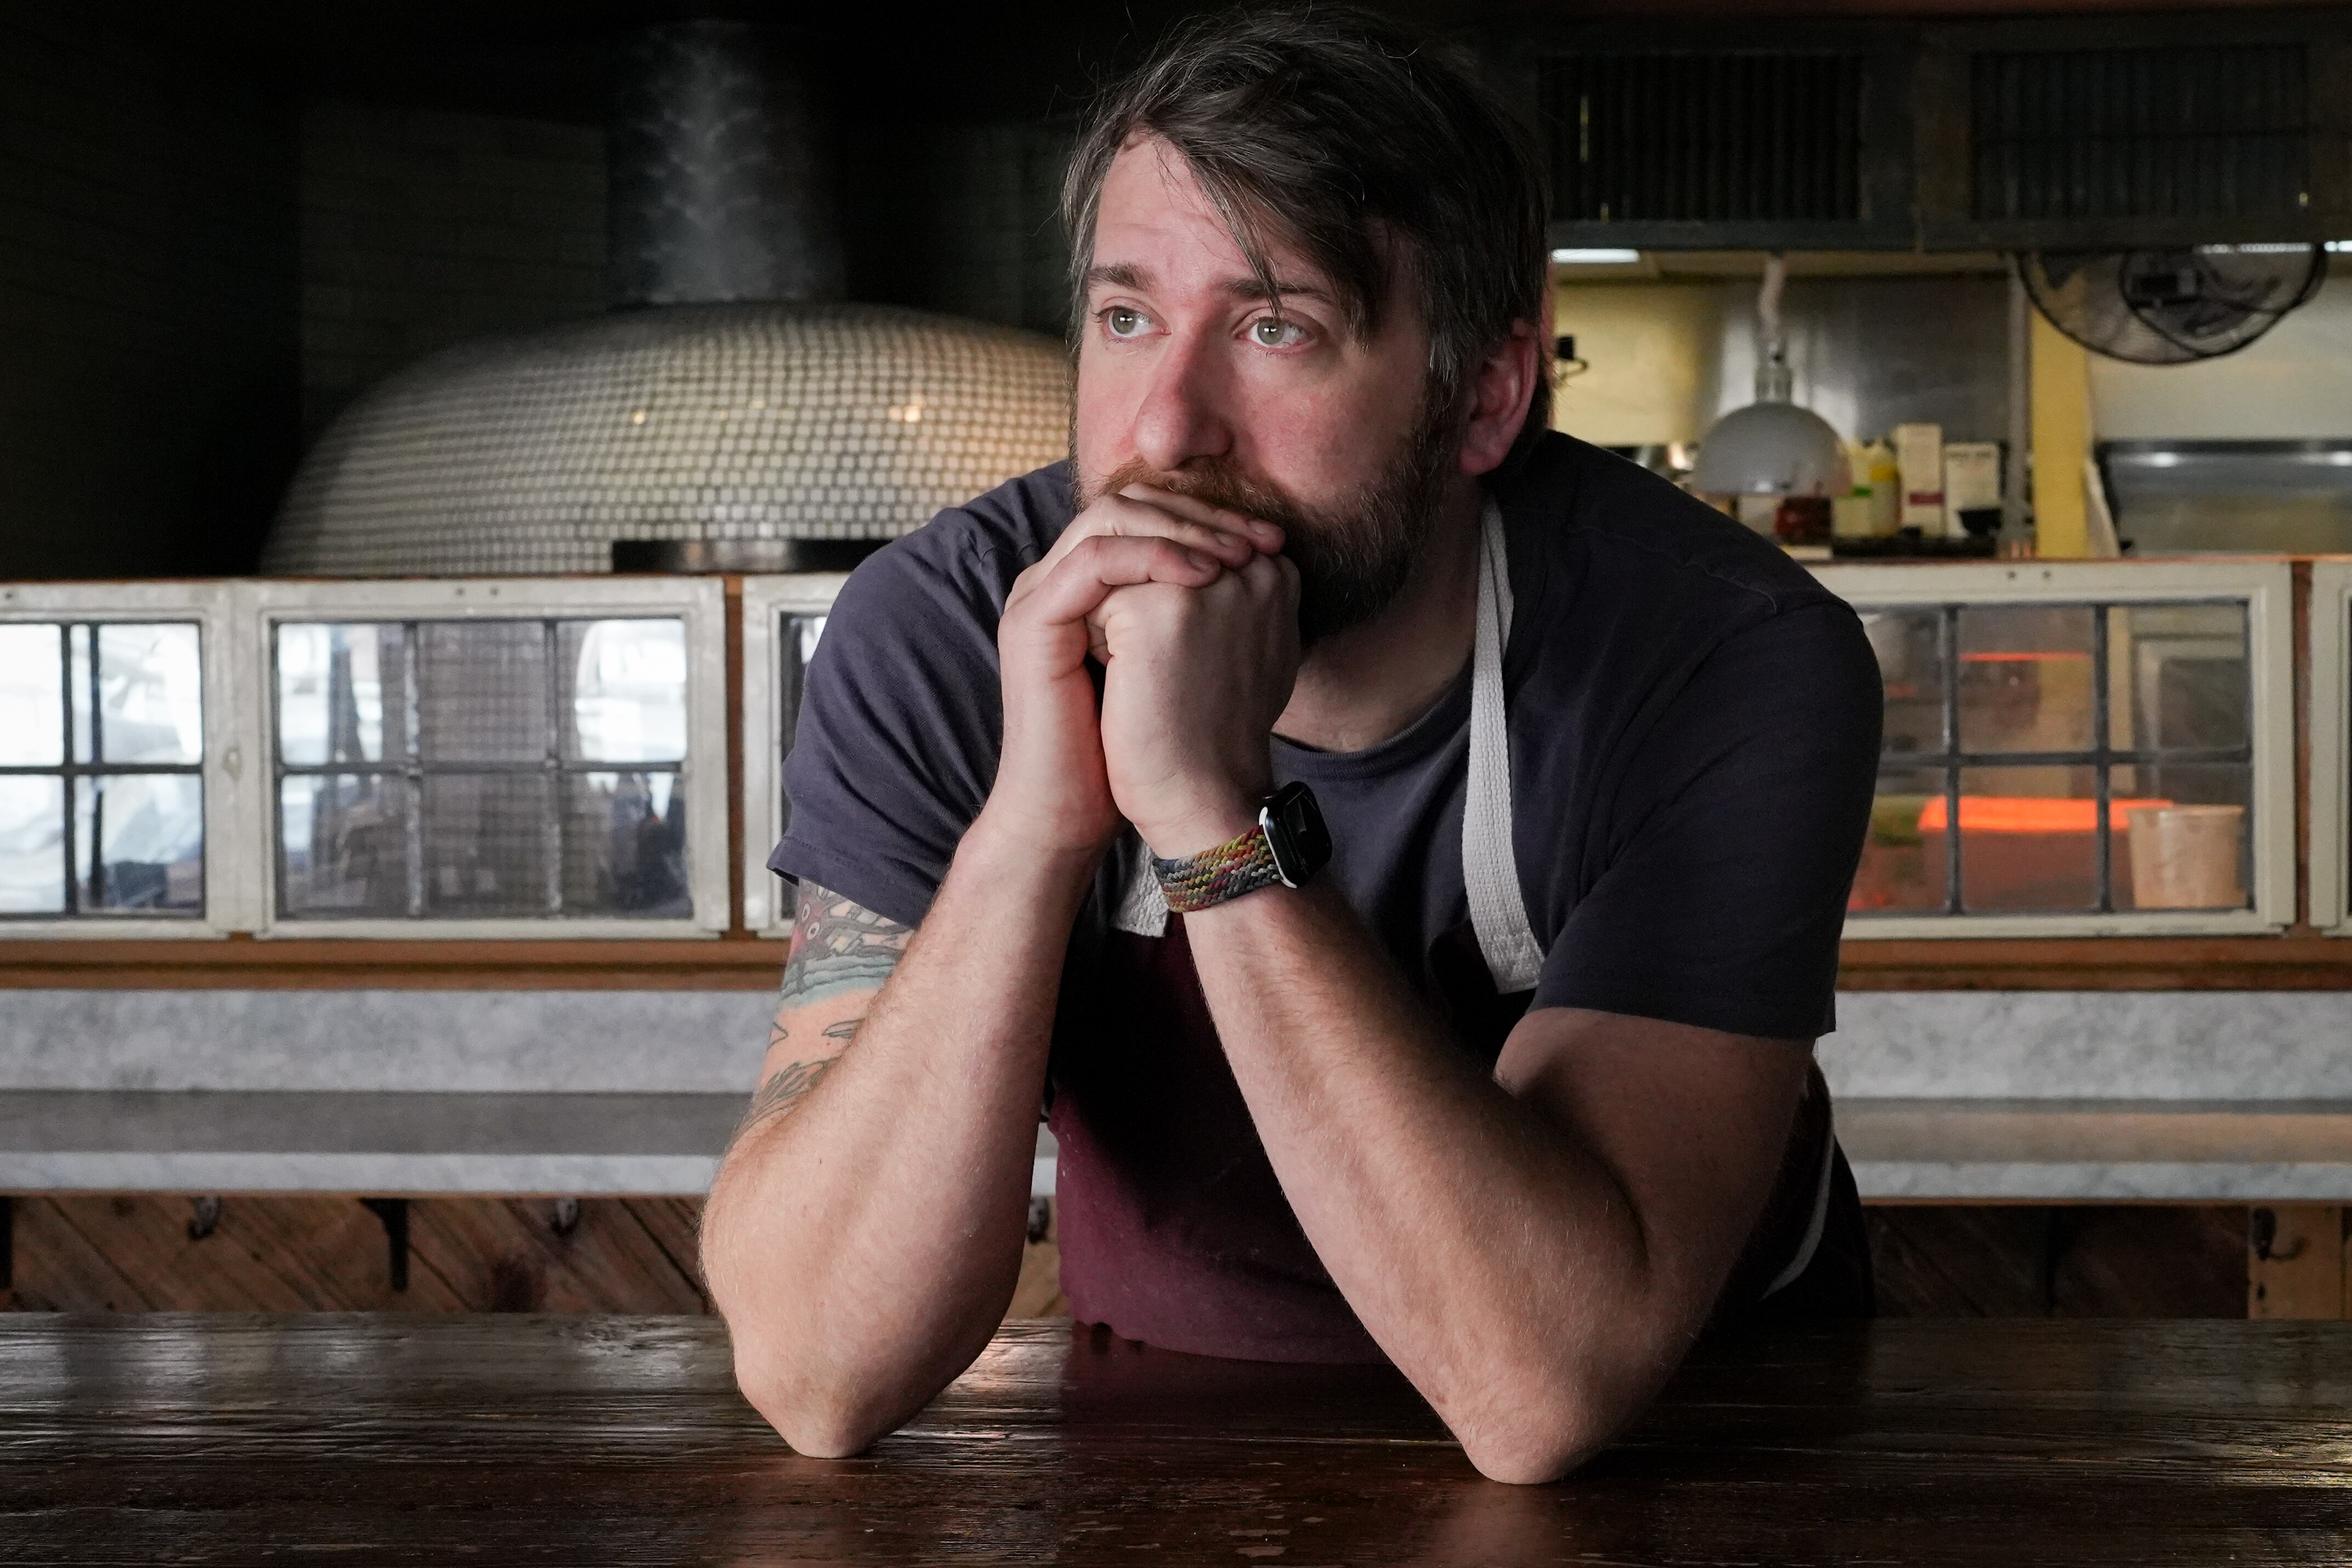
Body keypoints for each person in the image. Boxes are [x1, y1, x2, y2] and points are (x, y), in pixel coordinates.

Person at [701, 5, 1881, 1485]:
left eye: (1276, 328)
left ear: (1485, 397)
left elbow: (1541, 1385)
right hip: (1163, 1429)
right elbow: (818, 1367)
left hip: (1707, 1441)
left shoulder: (1718, 653)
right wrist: (1033, 826)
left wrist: (1207, 816)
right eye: (1125, 317)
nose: (1165, 428)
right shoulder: (944, 630)